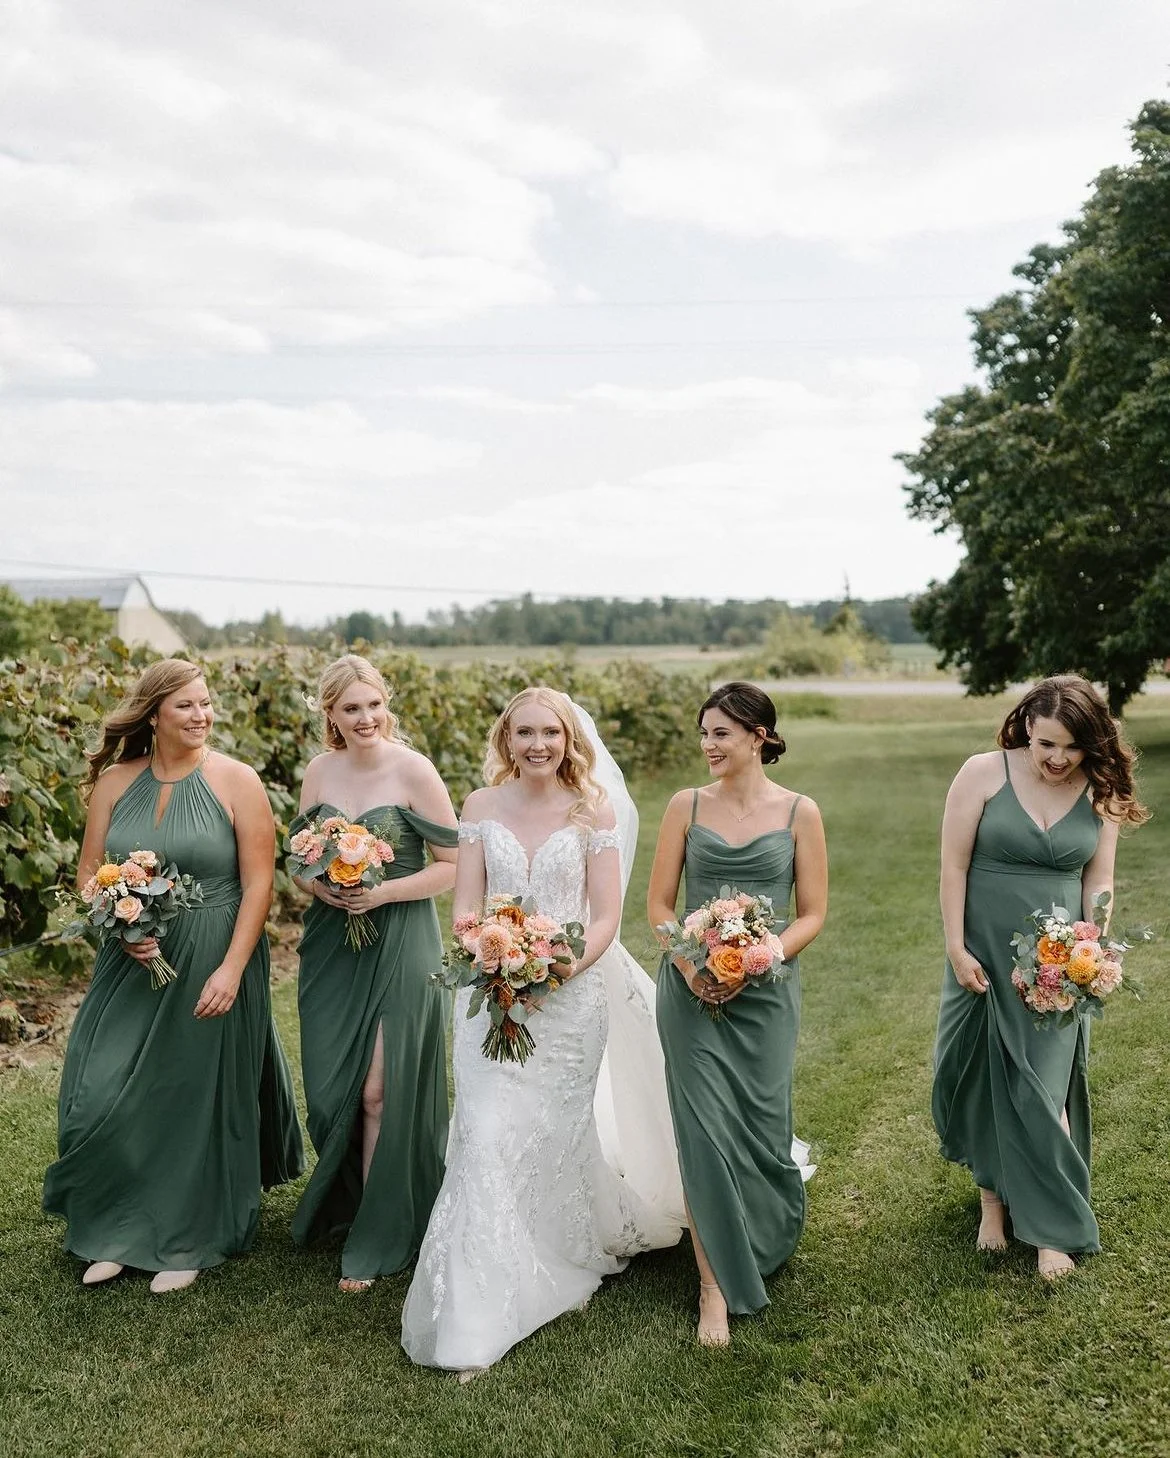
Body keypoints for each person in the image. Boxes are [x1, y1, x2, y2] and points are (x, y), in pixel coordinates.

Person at [401, 686, 683, 1375]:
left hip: (570, 998)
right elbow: (466, 904)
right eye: (523, 732)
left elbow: (608, 917)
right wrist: (491, 965)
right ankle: (475, 1304)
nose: (537, 745)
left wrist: (549, 975)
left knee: (552, 1135)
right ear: (506, 739)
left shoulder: (594, 810)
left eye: (549, 733)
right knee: (484, 1133)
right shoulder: (479, 807)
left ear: (568, 739)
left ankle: (564, 1252)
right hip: (490, 994)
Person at [43, 659, 304, 1293]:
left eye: (206, 703)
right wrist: (118, 922)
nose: (201, 715)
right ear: (154, 713)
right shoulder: (113, 782)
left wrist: (233, 968)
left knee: (189, 1096)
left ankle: (188, 1234)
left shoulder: (237, 781)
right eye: (185, 705)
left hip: (211, 949)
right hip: (128, 956)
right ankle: (112, 1226)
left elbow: (259, 882)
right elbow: (88, 875)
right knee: (101, 1087)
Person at [931, 674, 1148, 1280]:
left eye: (1072, 747)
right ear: (1027, 724)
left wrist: (1092, 946)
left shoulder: (1100, 789)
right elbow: (952, 866)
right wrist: (956, 947)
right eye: (1047, 743)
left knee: (1044, 1088)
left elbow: (1098, 880)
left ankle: (1052, 1230)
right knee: (980, 1076)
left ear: (1091, 744)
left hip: (1057, 959)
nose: (1057, 759)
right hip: (983, 949)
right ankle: (993, 1203)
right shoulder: (980, 774)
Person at [649, 681, 826, 1347]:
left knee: (760, 1123)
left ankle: (763, 1228)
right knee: (704, 1134)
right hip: (690, 993)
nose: (708, 746)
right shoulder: (685, 806)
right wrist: (693, 967)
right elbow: (661, 908)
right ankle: (713, 1288)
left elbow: (813, 912)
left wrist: (760, 956)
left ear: (759, 736)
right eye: (704, 733)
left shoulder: (800, 812)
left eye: (721, 733)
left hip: (767, 994)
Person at [289, 655, 459, 1291]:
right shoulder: (318, 771)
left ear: (386, 705)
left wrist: (384, 893)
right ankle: (352, 1201)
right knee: (334, 1089)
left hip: (401, 938)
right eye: (350, 708)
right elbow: (298, 860)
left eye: (372, 705)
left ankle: (381, 1229)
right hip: (333, 942)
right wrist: (320, 884)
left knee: (379, 1092)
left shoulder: (413, 770)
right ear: (330, 714)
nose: (364, 719)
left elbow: (452, 864)